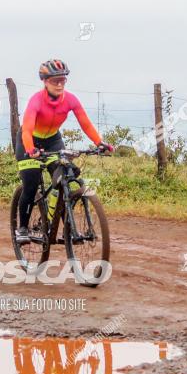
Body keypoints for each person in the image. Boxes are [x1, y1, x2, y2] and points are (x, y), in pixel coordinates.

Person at [14, 59, 113, 243]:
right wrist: (31, 149)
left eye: (63, 80)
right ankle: (22, 228)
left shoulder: (71, 100)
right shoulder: (36, 100)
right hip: (29, 141)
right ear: (45, 81)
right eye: (55, 81)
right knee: (31, 180)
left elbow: (85, 123)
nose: (59, 85)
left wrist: (100, 142)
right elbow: (27, 129)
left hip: (52, 140)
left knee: (67, 172)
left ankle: (59, 224)